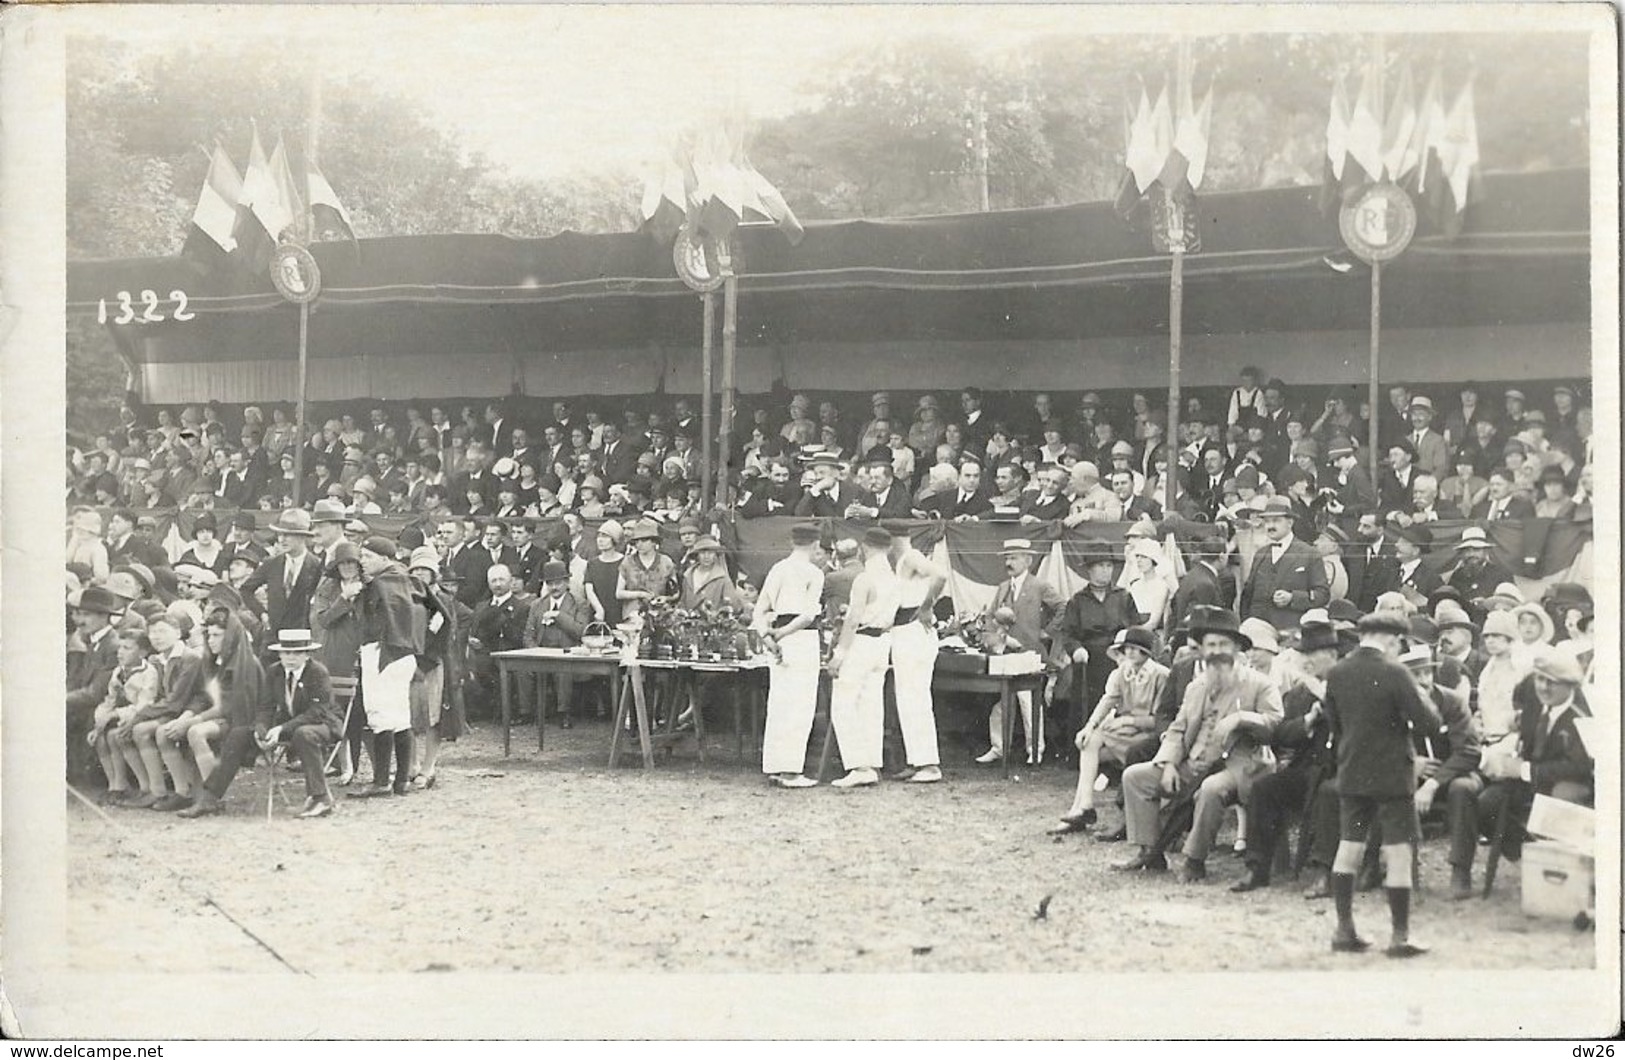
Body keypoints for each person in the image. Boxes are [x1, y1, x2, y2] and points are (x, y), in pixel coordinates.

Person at [1115, 607, 1283, 880]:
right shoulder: (1197, 686)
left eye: (1223, 644)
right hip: (1194, 762)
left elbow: (1276, 722)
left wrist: (1242, 718)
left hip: (1242, 766)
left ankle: (1194, 860)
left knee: (1210, 788)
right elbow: (1178, 728)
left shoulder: (1259, 684)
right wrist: (1168, 763)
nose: (1217, 651)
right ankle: (1151, 852)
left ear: (1238, 648)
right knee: (1136, 777)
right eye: (1211, 645)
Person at [1321, 611, 1441, 957]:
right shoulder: (1396, 672)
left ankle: (1344, 930)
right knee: (1399, 853)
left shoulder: (1337, 672)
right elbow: (1428, 723)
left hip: (1353, 771)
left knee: (1349, 847)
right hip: (1392, 775)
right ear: (1391, 639)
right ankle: (1400, 937)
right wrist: (1419, 693)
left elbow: (1335, 723)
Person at [1468, 645, 1593, 887]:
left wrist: (1523, 769)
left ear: (1570, 686)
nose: (1543, 687)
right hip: (1530, 778)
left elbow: (1579, 768)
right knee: (1485, 804)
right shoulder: (1534, 702)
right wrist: (1504, 760)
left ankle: (1559, 874)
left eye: (1552, 682)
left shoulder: (1581, 715)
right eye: (1539, 679)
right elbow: (1522, 738)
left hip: (1564, 784)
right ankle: (1531, 859)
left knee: (1562, 797)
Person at [1051, 627, 1169, 837]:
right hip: (1125, 733)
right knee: (1090, 741)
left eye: (1136, 648)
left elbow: (1161, 720)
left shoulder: (1160, 675)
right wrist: (1088, 727)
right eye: (1127, 649)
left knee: (1104, 745)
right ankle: (1084, 806)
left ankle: (1080, 810)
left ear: (1147, 652)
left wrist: (1128, 720)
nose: (1130, 653)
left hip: (1148, 735)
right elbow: (1107, 702)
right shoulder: (1121, 673)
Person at [174, 612, 270, 817]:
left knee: (196, 732)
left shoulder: (245, 663)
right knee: (187, 729)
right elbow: (204, 696)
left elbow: (230, 705)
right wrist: (187, 716)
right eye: (209, 635)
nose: (211, 640)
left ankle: (212, 797)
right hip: (219, 716)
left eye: (217, 635)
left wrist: (194, 720)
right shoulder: (214, 662)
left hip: (242, 720)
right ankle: (193, 792)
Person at [825, 526, 900, 789]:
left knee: (843, 703)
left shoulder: (864, 579)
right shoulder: (894, 578)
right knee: (871, 704)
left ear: (864, 548)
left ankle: (859, 765)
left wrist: (839, 654)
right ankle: (871, 763)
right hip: (882, 643)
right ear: (888, 549)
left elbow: (853, 619)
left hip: (861, 642)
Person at [978, 539, 1064, 764]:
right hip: (1007, 653)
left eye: (1014, 557)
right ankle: (998, 747)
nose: (1009, 562)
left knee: (1028, 702)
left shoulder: (1039, 586)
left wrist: (1047, 632)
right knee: (1001, 702)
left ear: (1028, 560)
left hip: (1030, 653)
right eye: (1007, 558)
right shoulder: (1003, 588)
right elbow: (990, 615)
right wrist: (996, 636)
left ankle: (1034, 751)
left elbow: (1062, 607)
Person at [754, 523, 826, 788]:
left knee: (780, 702)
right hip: (801, 638)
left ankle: (776, 766)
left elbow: (759, 610)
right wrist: (780, 635)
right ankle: (790, 771)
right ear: (816, 545)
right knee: (800, 705)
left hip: (780, 638)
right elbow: (808, 615)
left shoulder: (778, 568)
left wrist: (768, 636)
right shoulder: (814, 573)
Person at [349, 536, 420, 798]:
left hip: (383, 654)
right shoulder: (401, 578)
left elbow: (375, 624)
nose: (362, 562)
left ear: (385, 558)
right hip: (402, 654)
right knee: (400, 717)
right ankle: (401, 781)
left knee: (380, 717)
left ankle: (381, 781)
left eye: (367, 556)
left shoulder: (381, 583)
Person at [886, 527, 949, 784]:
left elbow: (941, 575)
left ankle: (929, 764)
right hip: (904, 632)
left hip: (913, 631)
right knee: (908, 699)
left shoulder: (910, 556)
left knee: (916, 698)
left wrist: (927, 606)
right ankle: (918, 760)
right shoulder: (903, 561)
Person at [405, 547, 462, 786]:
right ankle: (410, 765)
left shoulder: (444, 599)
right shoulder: (405, 595)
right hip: (407, 662)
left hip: (433, 663)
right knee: (407, 715)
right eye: (416, 568)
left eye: (425, 569)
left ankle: (429, 767)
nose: (420, 573)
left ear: (433, 572)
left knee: (433, 715)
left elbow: (445, 634)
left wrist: (424, 662)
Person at [87, 626, 162, 805]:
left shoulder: (148, 673)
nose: (120, 652)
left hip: (142, 715)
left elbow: (144, 704)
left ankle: (145, 786)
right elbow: (110, 699)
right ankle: (116, 785)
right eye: (120, 647)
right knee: (99, 738)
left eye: (127, 648)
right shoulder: (119, 671)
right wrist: (99, 722)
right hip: (119, 716)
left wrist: (114, 715)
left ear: (142, 653)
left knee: (115, 736)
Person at [520, 559, 591, 728]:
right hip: (541, 653)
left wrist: (558, 616)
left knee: (563, 669)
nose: (554, 587)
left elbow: (581, 631)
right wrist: (534, 651)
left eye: (558, 583)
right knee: (523, 669)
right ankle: (526, 713)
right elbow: (528, 634)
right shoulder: (537, 604)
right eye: (550, 583)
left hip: (567, 653)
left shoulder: (579, 604)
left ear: (567, 583)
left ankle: (564, 713)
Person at [1241, 497, 1329, 629]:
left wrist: (1293, 598)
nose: (1270, 526)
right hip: (1257, 631)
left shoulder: (1309, 553)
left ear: (1290, 522)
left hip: (1290, 631)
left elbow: (1323, 595)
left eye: (1276, 521)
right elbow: (1248, 595)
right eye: (1267, 521)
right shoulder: (1261, 554)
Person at [241, 508, 324, 642]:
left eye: (288, 535)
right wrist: (262, 614)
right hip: (272, 638)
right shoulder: (272, 563)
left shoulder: (316, 566)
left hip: (300, 640)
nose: (281, 539)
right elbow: (245, 589)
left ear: (302, 536)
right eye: (280, 534)